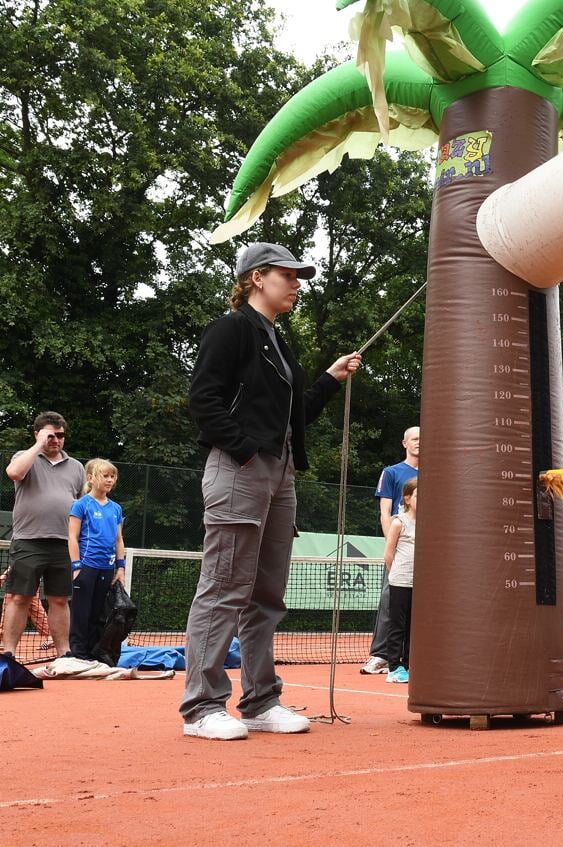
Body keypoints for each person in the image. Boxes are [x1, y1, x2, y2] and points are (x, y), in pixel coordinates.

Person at [180, 242, 361, 741]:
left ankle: (260, 701)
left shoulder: (277, 341)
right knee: (224, 588)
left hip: (280, 474)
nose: (298, 283)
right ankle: (201, 706)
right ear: (257, 277)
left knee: (266, 593)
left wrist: (329, 378)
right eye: (289, 275)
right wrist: (244, 451)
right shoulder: (231, 328)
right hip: (241, 469)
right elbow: (203, 400)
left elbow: (291, 414)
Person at [2, 412, 85, 660]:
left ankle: (64, 655)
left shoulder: (76, 467)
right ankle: (8, 654)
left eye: (60, 435)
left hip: (63, 543)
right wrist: (39, 444)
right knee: (20, 598)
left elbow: (80, 505)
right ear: (37, 434)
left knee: (60, 600)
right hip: (29, 540)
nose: (56, 440)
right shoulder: (24, 457)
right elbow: (14, 473)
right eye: (50, 435)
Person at [362, 425, 420, 676]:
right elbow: (385, 512)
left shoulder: (437, 471)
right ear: (404, 443)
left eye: (423, 439)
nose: (420, 442)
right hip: (401, 546)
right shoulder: (391, 472)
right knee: (390, 601)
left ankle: (413, 657)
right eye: (415, 439)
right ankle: (381, 655)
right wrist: (393, 544)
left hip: (426, 551)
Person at [66, 459, 127, 662]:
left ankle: (94, 653)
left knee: (98, 613)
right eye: (105, 476)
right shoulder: (81, 505)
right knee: (81, 612)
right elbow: (72, 537)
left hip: (107, 568)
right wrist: (76, 567)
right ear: (91, 478)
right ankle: (78, 654)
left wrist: (121, 568)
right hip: (86, 566)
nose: (110, 480)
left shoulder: (116, 508)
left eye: (112, 476)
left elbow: (119, 540)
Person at [379, 478, 418, 684]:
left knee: (415, 626)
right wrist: (396, 574)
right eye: (418, 495)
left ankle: (410, 664)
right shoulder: (398, 522)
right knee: (398, 625)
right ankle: (394, 667)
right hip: (400, 581)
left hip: (420, 584)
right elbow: (388, 553)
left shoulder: (428, 523)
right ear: (408, 498)